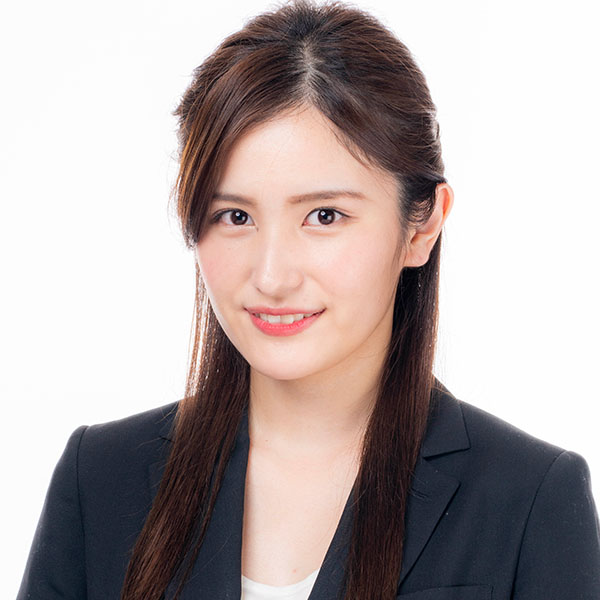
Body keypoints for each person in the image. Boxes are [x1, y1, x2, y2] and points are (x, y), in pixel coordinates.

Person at [17, 1, 600, 599]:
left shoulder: (529, 501)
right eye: (235, 216)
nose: (271, 276)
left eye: (324, 215)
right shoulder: (99, 480)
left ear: (422, 225)